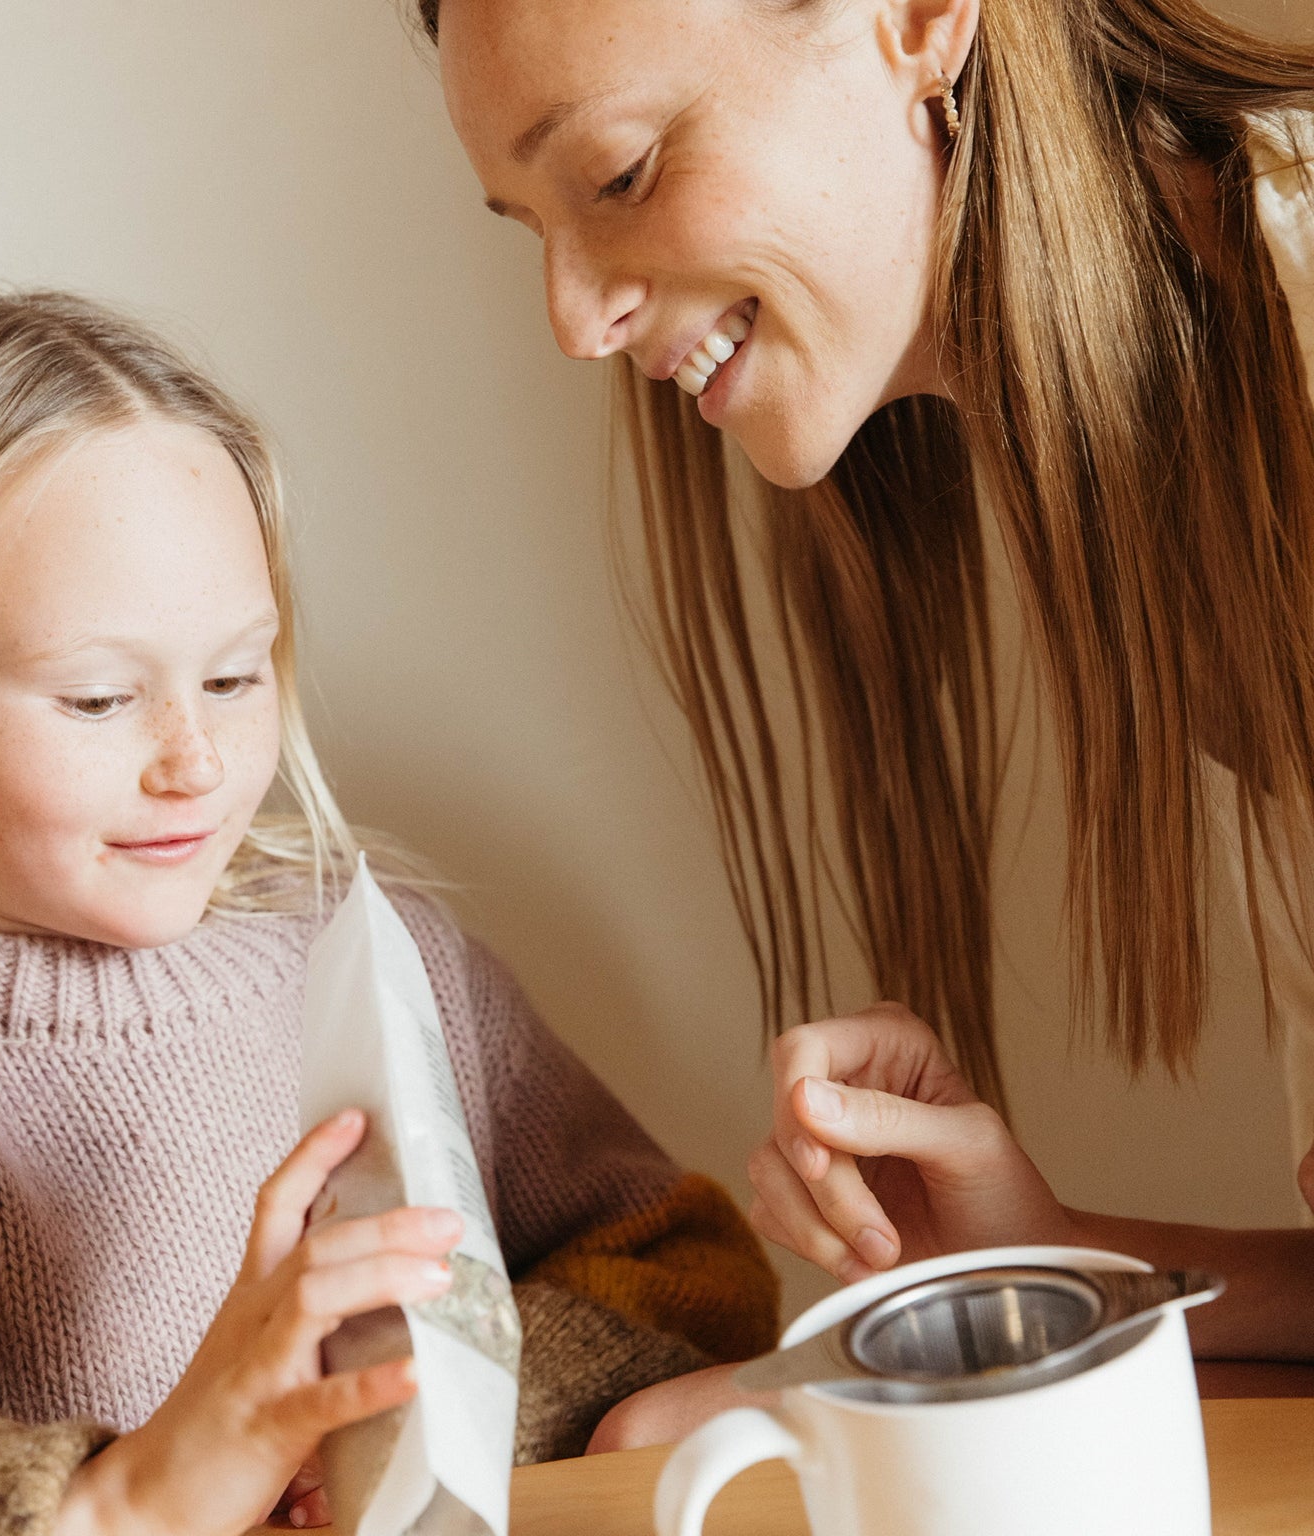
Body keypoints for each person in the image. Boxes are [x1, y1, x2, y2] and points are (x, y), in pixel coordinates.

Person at [415, 0, 1314, 1433]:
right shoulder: (1168, 464)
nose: (576, 322)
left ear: (915, 18)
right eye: (532, 228)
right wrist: (1052, 1259)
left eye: (621, 173)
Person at [0, 285, 779, 1531]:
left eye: (235, 675)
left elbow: (683, 1269)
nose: (194, 759)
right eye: (96, 699)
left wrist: (388, 1438)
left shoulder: (377, 951)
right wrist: (138, 1486)